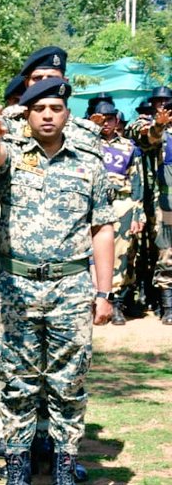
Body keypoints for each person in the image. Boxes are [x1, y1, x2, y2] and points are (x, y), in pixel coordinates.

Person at [0, 78, 115, 485]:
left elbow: (102, 228)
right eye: (40, 109)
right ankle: (17, 476)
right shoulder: (12, 156)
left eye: (56, 107)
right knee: (17, 384)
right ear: (28, 114)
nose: (49, 115)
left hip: (71, 287)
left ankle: (64, 473)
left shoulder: (89, 165)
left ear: (67, 115)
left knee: (68, 385)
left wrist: (104, 292)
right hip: (18, 287)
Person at [94, 101, 145, 324]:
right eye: (101, 119)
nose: (106, 123)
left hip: (121, 205)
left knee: (121, 255)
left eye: (110, 119)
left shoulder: (129, 147)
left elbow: (137, 182)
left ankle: (116, 304)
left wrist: (137, 214)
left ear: (117, 121)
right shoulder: (86, 144)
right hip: (93, 205)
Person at [128, 87, 172, 323]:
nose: (161, 105)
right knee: (163, 251)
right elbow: (148, 139)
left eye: (165, 101)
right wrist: (158, 125)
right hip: (162, 202)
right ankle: (165, 305)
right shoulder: (146, 125)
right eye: (157, 102)